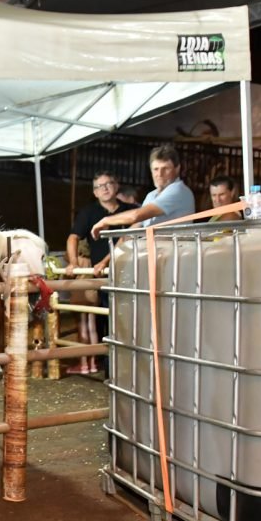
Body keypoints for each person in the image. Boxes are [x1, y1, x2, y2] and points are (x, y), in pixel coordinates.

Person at [64, 171, 136, 374]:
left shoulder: (131, 211)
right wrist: (73, 262)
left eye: (109, 183)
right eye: (99, 186)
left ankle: (125, 365)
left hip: (130, 273)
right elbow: (73, 237)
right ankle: (109, 366)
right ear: (95, 192)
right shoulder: (88, 212)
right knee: (104, 318)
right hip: (102, 276)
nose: (105, 188)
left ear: (116, 185)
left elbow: (129, 237)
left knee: (126, 318)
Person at [91, 144, 195, 240]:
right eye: (156, 169)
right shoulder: (152, 195)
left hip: (173, 252)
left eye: (165, 168)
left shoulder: (178, 190)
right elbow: (136, 227)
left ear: (177, 169)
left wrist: (106, 220)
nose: (160, 174)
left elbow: (135, 216)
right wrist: (113, 253)